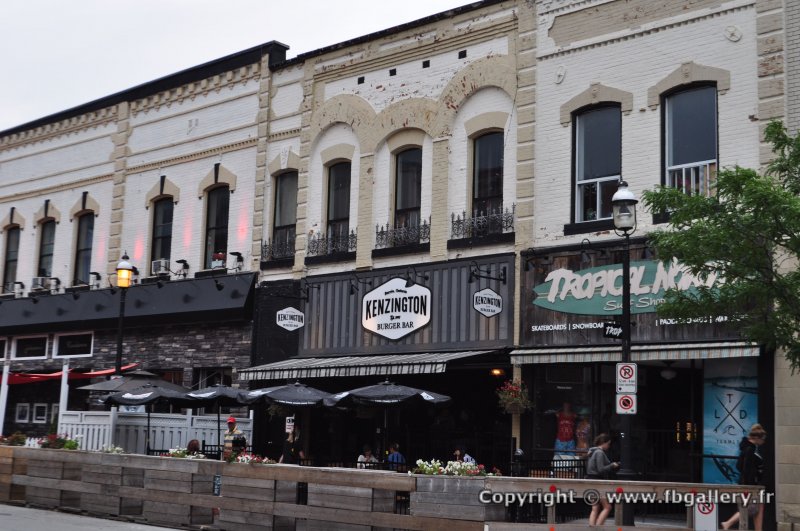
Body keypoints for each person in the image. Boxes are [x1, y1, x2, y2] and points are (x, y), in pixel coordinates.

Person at [722, 424, 767, 531]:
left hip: (752, 484)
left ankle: (758, 529)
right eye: (763, 439)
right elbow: (745, 469)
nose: (764, 441)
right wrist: (751, 482)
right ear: (757, 438)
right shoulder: (750, 450)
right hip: (750, 484)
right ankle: (728, 523)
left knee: (759, 506)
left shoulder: (750, 448)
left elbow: (739, 465)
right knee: (750, 508)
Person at [586, 433, 620, 526]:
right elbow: (600, 469)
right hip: (597, 482)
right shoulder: (599, 453)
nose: (609, 446)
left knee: (595, 507)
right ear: (604, 443)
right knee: (607, 507)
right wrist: (612, 465)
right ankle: (598, 528)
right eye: (608, 444)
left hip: (590, 480)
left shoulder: (592, 451)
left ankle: (592, 528)